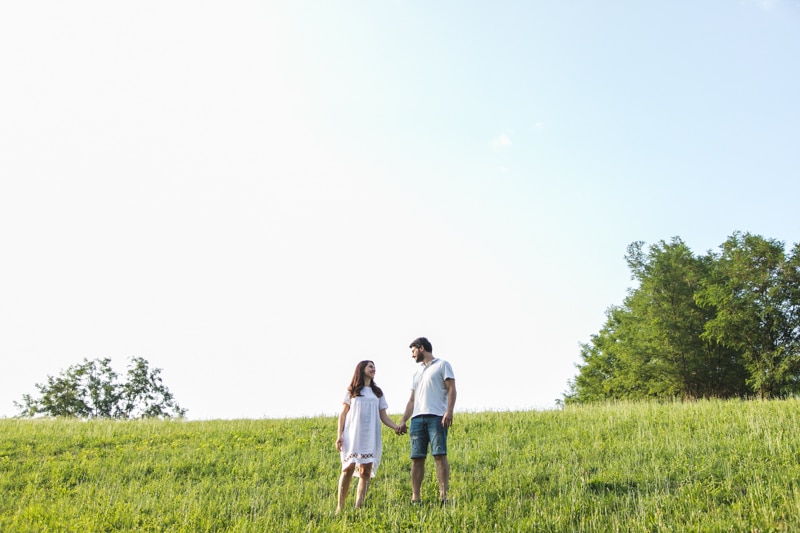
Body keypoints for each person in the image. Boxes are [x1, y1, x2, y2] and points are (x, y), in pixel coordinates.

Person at [396, 337, 457, 505]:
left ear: (421, 348)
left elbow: (452, 389)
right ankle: (415, 498)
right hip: (417, 419)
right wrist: (403, 420)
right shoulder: (416, 374)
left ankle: (443, 496)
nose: (412, 355)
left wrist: (449, 411)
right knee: (417, 458)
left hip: (437, 417)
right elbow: (411, 400)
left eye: (413, 351)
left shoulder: (442, 365)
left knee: (439, 455)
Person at [335, 360, 399, 512]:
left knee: (366, 471)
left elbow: (383, 416)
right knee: (348, 469)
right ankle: (340, 507)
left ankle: (358, 507)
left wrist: (396, 427)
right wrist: (339, 435)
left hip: (370, 436)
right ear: (361, 369)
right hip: (352, 435)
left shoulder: (378, 393)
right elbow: (343, 415)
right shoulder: (352, 391)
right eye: (370, 366)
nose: (373, 369)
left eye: (374, 367)